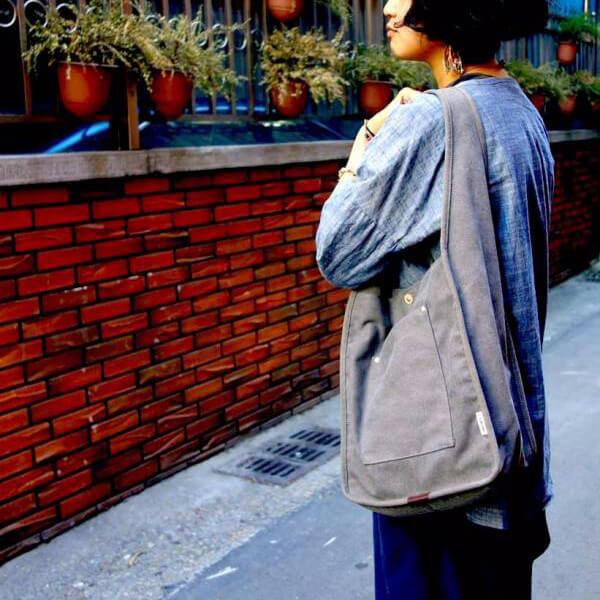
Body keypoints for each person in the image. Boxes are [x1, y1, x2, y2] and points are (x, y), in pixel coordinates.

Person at [315, 1, 555, 598]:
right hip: (513, 444)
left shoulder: (430, 121)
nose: (388, 7)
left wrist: (369, 139)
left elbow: (337, 252)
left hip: (442, 460)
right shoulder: (521, 111)